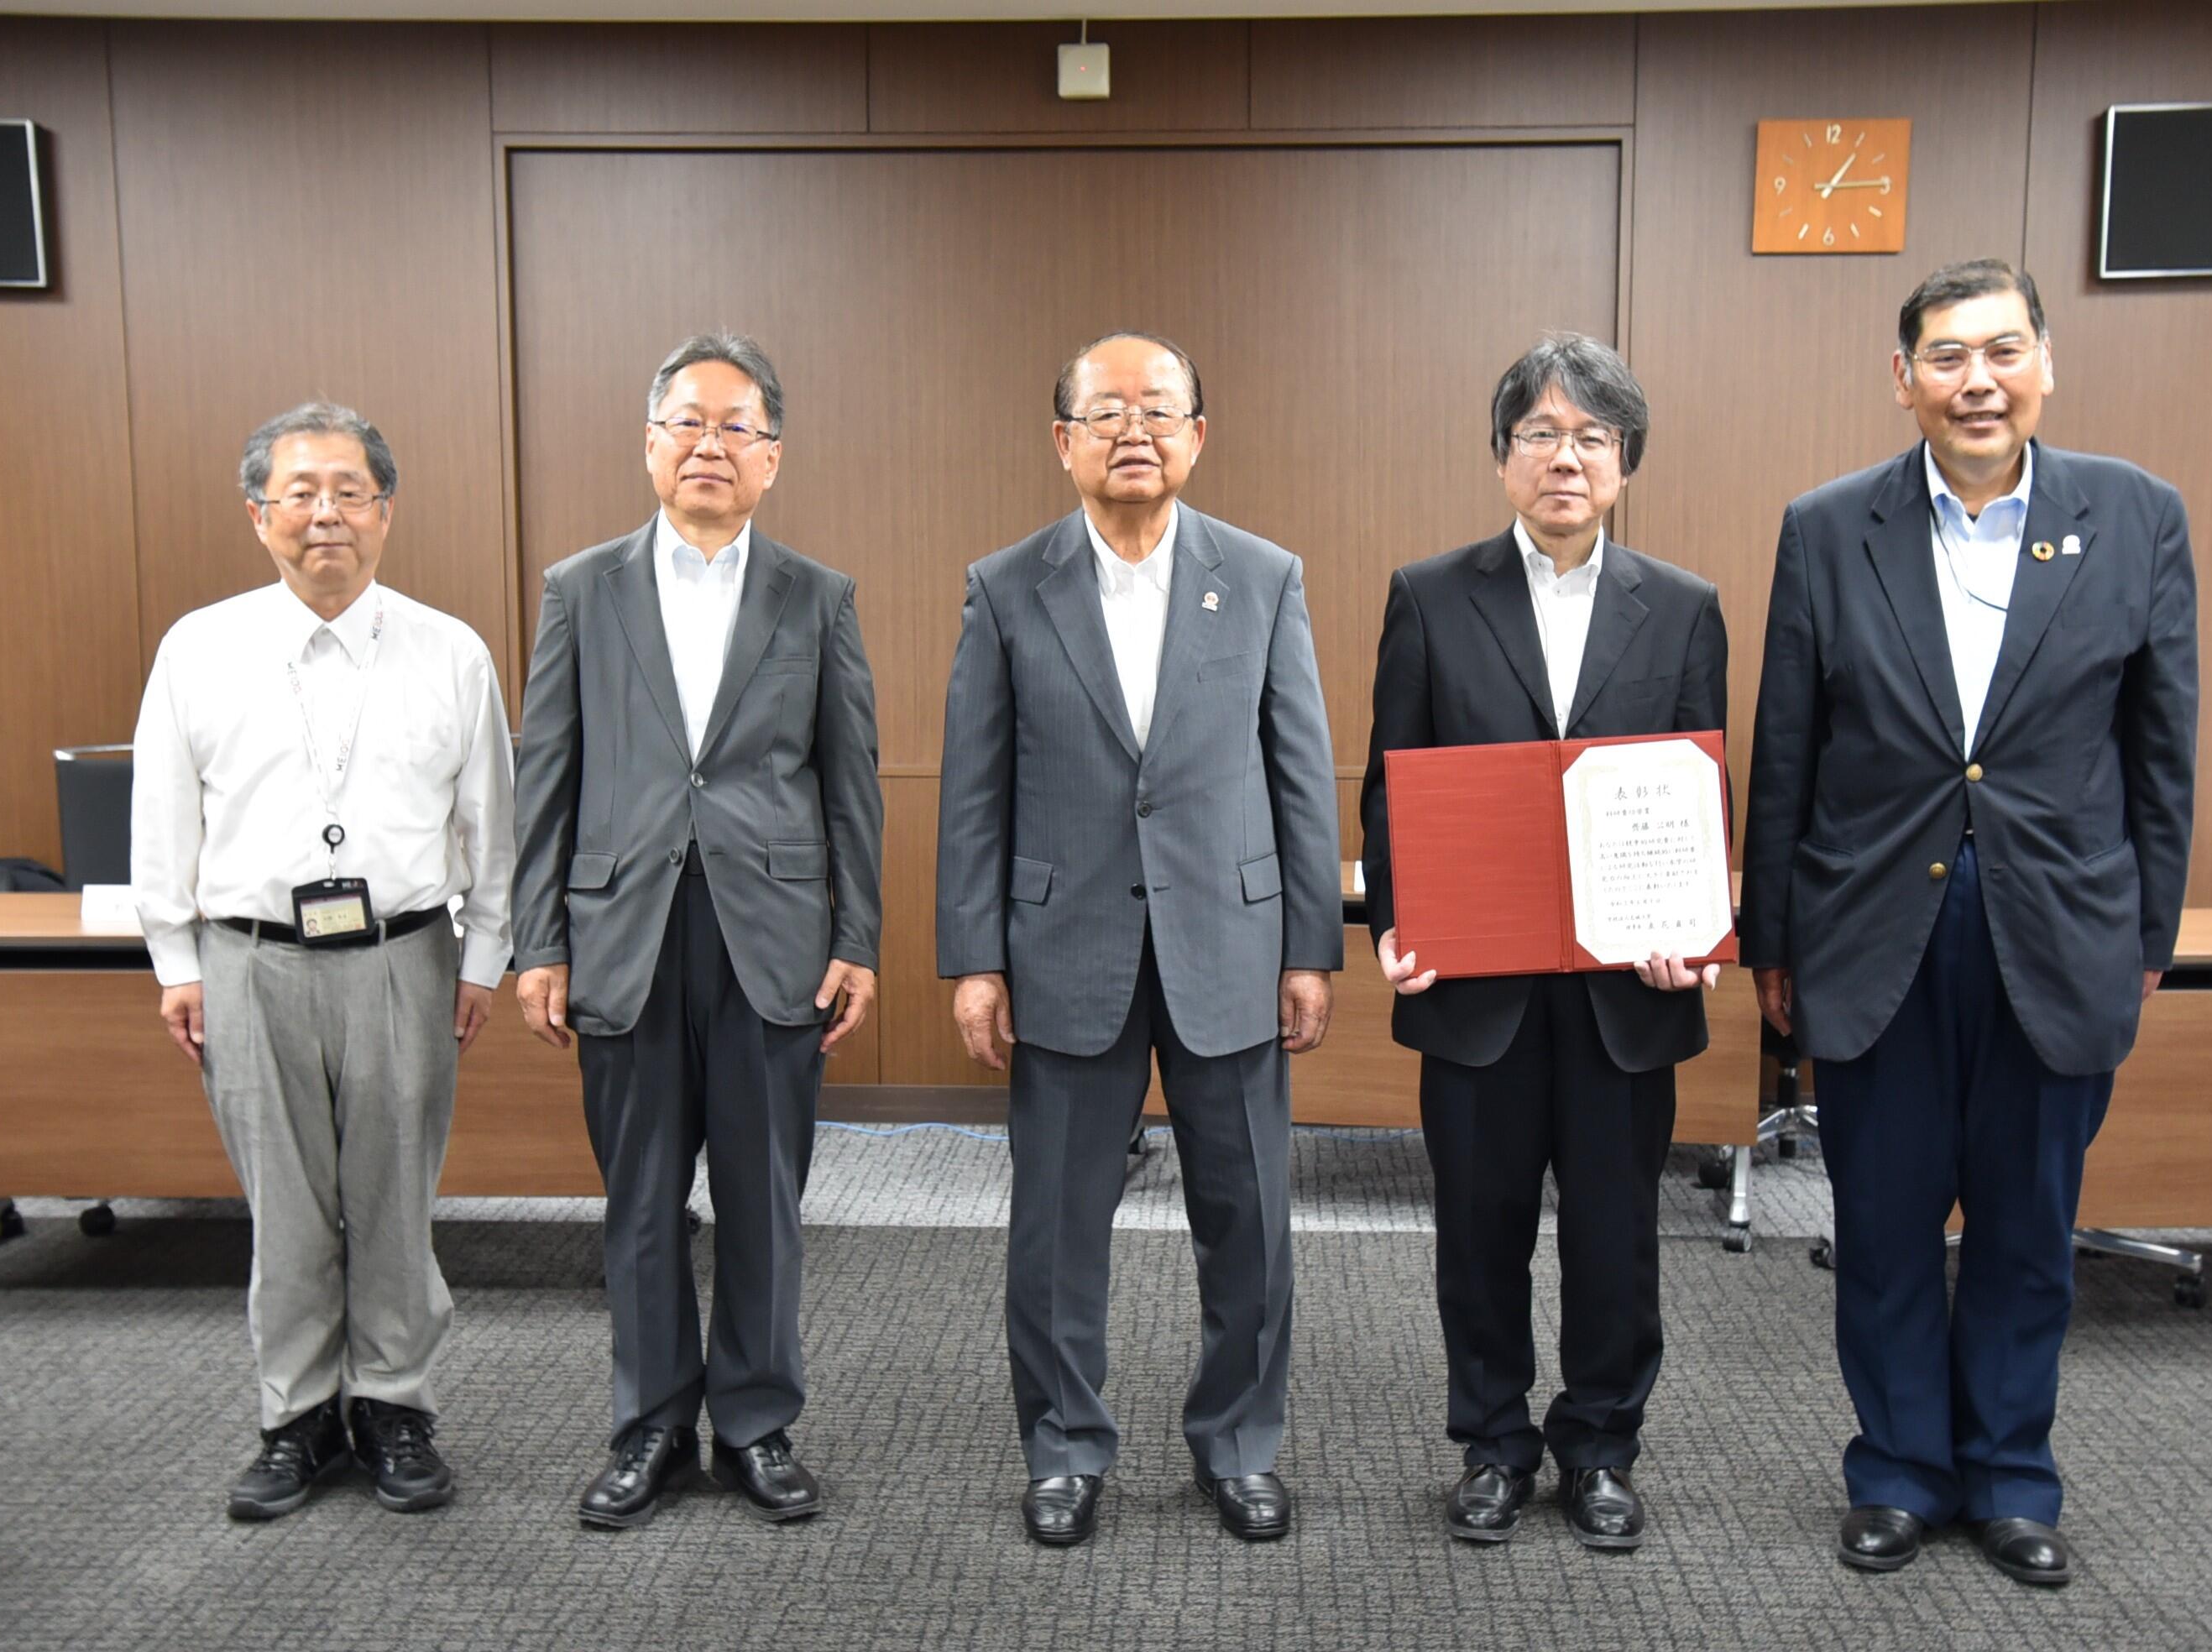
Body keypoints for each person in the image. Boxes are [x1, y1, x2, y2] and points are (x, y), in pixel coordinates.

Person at [1741, 259, 2198, 1587]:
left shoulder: (2135, 515)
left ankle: (2009, 1476)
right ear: (1905, 380)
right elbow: (1789, 752)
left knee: (2023, 1224)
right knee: (1881, 1223)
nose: (1976, 380)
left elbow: (2161, 747)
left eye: (2001, 351)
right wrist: (1773, 938)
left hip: (2058, 932)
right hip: (1875, 927)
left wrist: (2147, 933)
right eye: (1945, 357)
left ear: (2046, 363)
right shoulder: (1829, 527)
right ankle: (1895, 1470)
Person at [937, 332, 1341, 1546]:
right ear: (1061, 441)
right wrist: (974, 957)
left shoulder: (1263, 577)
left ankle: (1240, 1443)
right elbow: (975, 788)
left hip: (1231, 942)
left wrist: (1310, 946)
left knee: (1250, 1217)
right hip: (1065, 949)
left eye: (1158, 409)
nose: (1133, 431)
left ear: (1198, 437)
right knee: (1057, 1227)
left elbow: (1301, 773)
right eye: (1104, 410)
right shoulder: (1007, 587)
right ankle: (1064, 1447)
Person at [1361, 334, 1729, 1548]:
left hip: (1629, 989)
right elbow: (1391, 785)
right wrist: (1399, 923)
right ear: (1502, 454)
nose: (1565, 458)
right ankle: (1494, 1444)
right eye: (1541, 435)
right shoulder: (1429, 594)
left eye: (1592, 438)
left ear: (1625, 462)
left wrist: (1693, 930)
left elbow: (1695, 791)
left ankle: (1601, 1447)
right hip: (1479, 984)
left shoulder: (1682, 608)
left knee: (1618, 1234)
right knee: (1480, 1229)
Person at [511, 332, 882, 1530]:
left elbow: (850, 779)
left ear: (772, 458)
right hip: (623, 934)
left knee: (767, 1198)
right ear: (650, 443)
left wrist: (858, 935)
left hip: (771, 937)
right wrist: (538, 940)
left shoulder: (818, 597)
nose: (708, 445)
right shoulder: (583, 589)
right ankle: (653, 1425)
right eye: (687, 421)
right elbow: (546, 776)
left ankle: (760, 1426)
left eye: (736, 427)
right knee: (641, 1198)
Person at [131, 401, 514, 1521]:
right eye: (298, 493)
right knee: (288, 1207)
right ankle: (295, 1417)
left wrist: (484, 953)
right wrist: (174, 959)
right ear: (259, 516)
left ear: (386, 511)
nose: (324, 514)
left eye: (349, 491)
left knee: (394, 1198)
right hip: (248, 960)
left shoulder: (451, 650)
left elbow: (493, 819)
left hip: (406, 957)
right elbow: (162, 818)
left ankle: (394, 1404)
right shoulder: (199, 647)